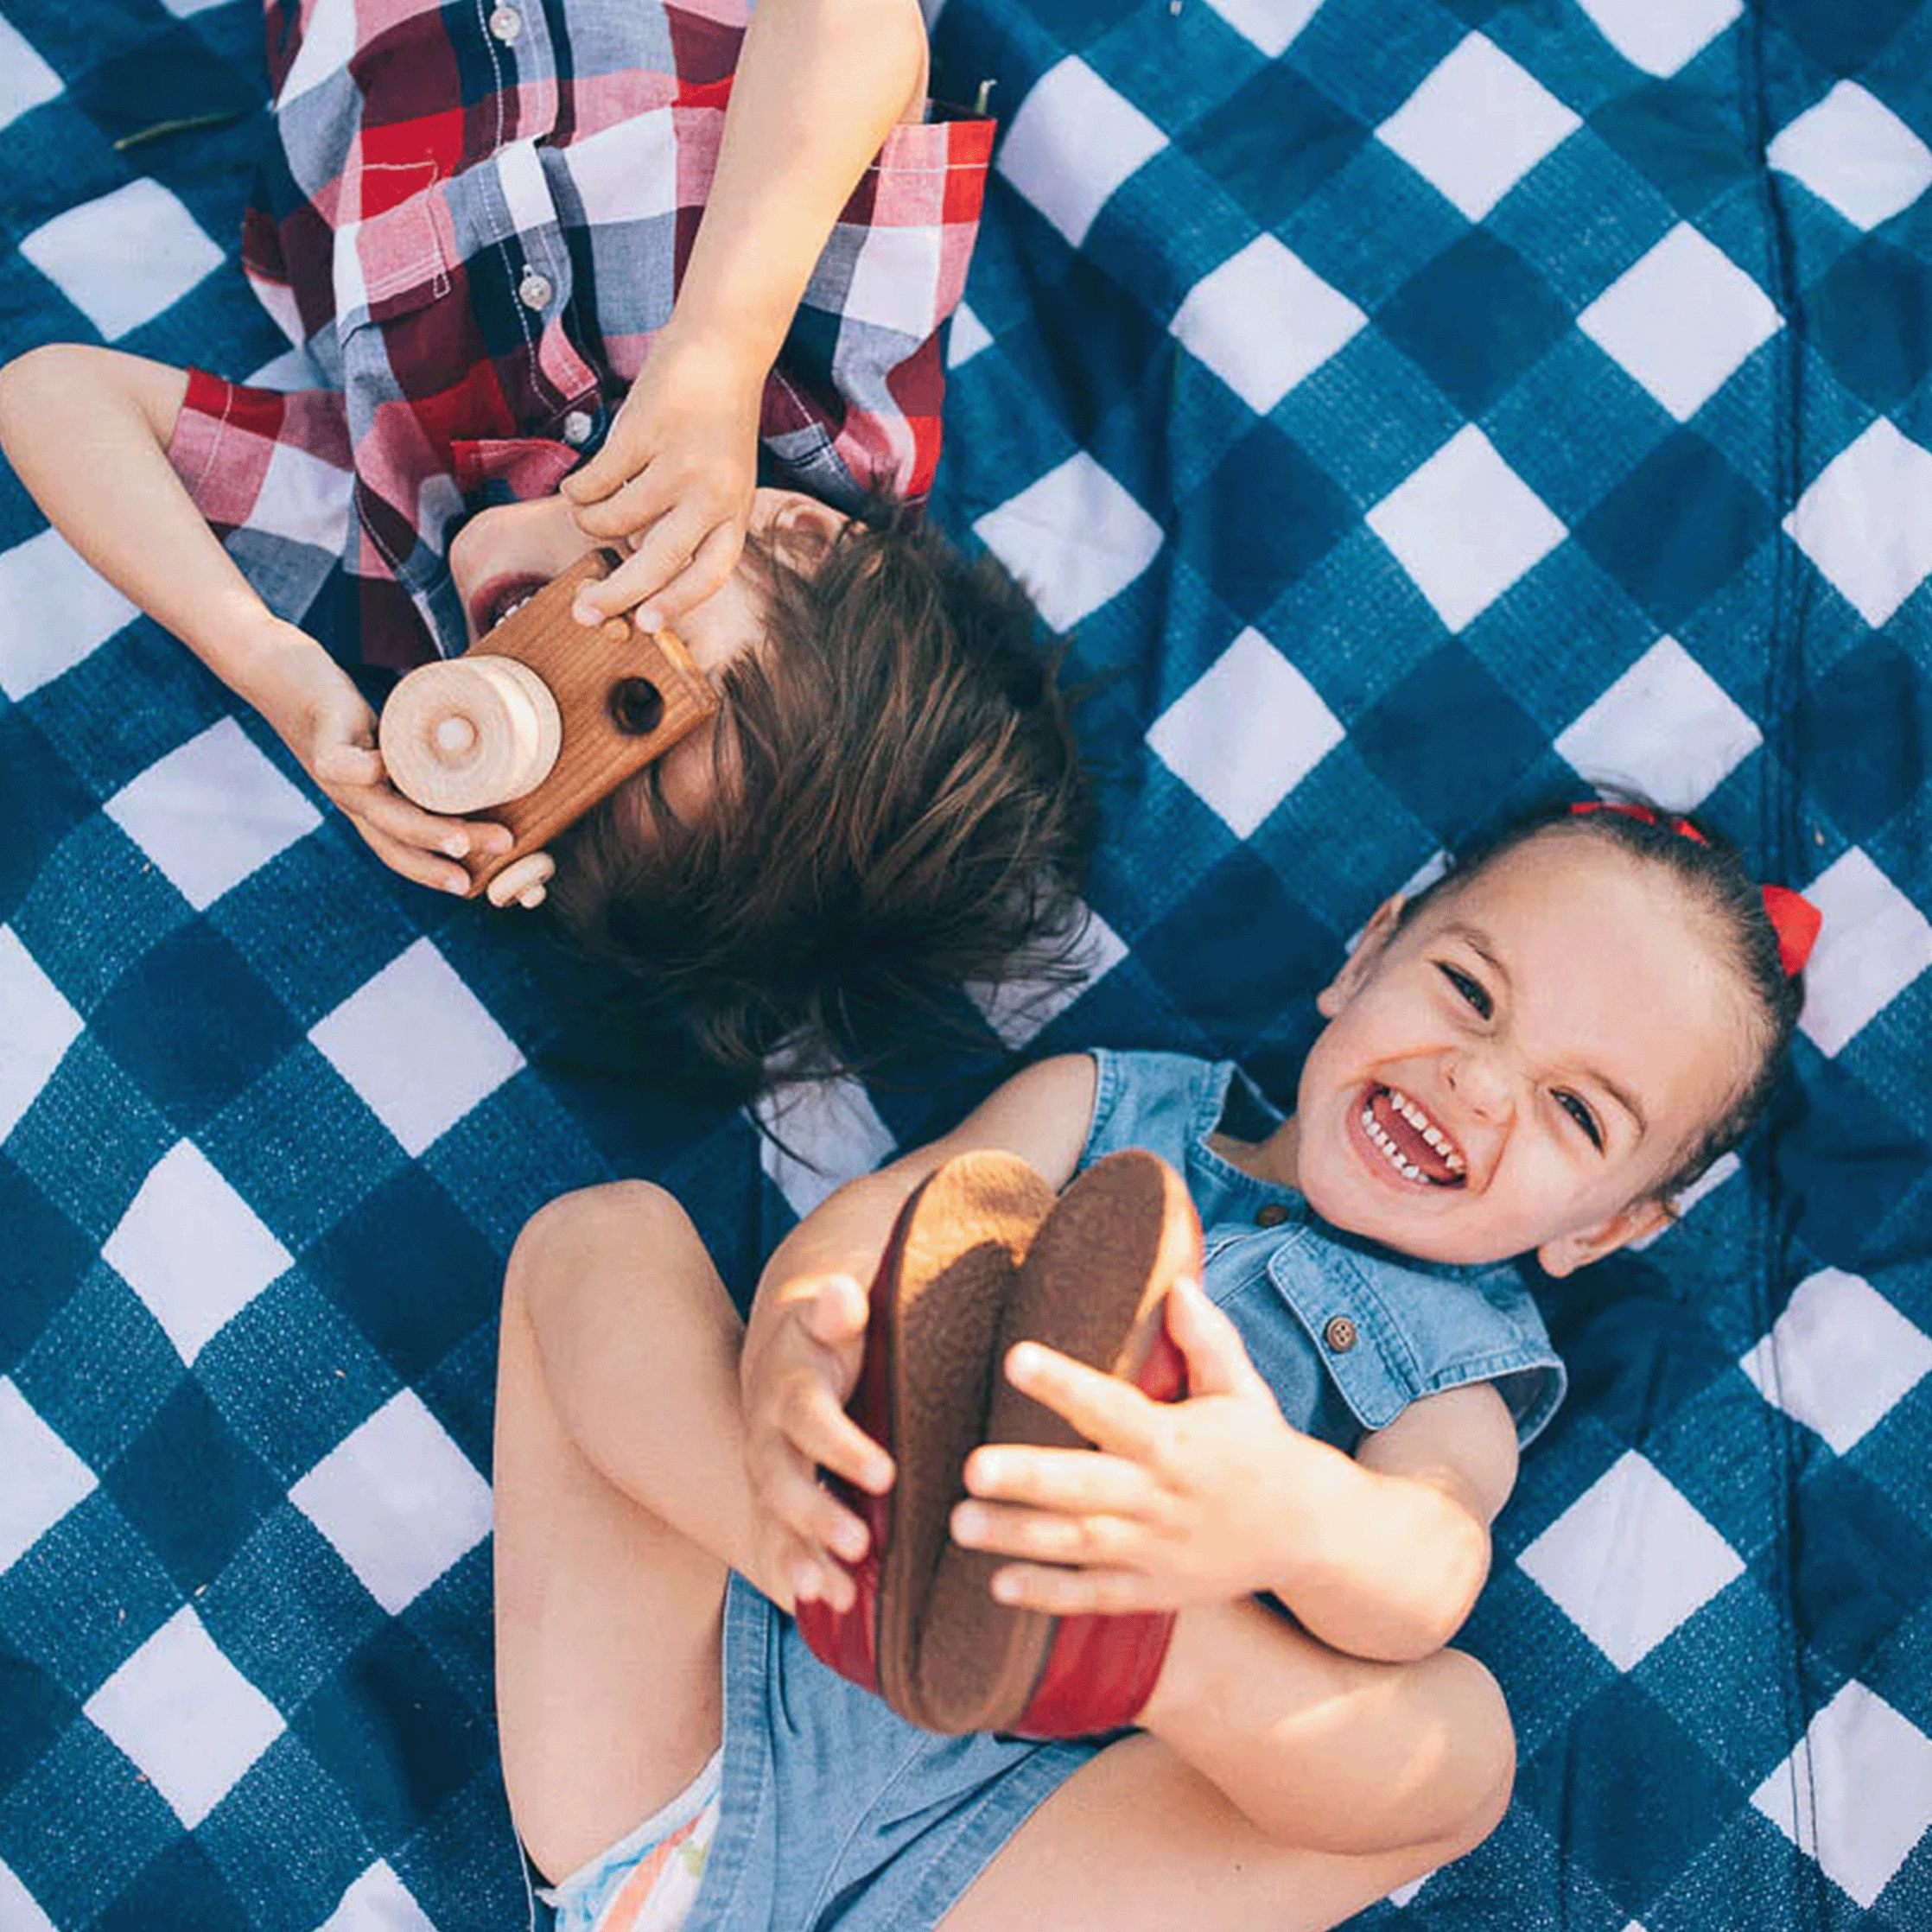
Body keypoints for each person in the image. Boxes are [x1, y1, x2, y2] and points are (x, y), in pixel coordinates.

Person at [491, 800, 1815, 1932]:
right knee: (599, 1240)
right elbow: (893, 1215)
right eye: (1470, 993)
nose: (1478, 1083)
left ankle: (1116, 1638)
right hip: (699, 1736)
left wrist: (1279, 1516)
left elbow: (1427, 1566)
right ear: (1366, 956)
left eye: (1575, 1111)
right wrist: (799, 1346)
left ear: (1606, 1230)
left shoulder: (1463, 1370)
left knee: (1457, 1751)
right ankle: (880, 1573)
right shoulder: (1118, 1105)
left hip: (986, 1883)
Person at [0, 0, 1091, 1082]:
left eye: (565, 778)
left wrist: (273, 665)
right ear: (805, 538)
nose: (538, 664)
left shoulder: (407, 566)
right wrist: (719, 347)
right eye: (635, 697)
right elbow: (852, 23)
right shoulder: (818, 416)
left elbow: (52, 398)